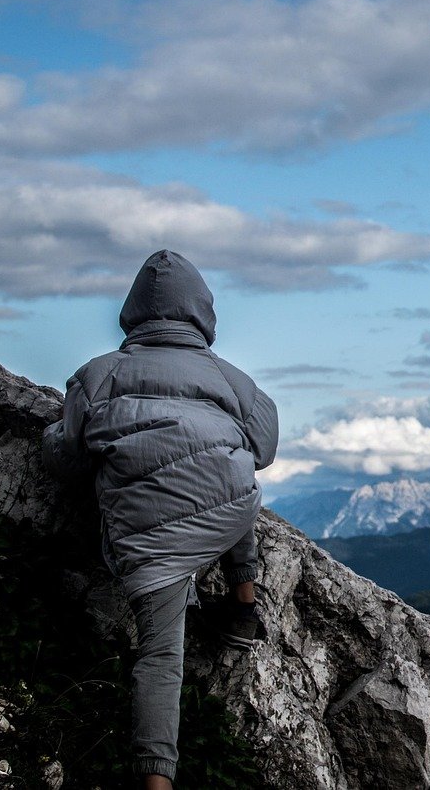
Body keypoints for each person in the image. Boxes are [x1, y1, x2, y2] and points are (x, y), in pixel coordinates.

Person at [42, 249, 279, 789]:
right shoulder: (236, 381)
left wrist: (51, 435)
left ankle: (156, 782)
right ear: (202, 312)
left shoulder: (97, 374)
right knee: (235, 477)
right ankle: (245, 606)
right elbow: (262, 449)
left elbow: (69, 461)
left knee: (160, 659)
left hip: (151, 542)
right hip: (226, 512)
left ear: (132, 312)